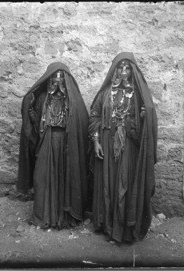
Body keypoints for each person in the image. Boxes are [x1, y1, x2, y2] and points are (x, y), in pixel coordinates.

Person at [88, 52, 157, 243]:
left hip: (128, 147)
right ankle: (107, 227)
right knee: (108, 185)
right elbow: (94, 117)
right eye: (120, 68)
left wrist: (144, 117)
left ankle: (124, 230)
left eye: (127, 68)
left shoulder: (138, 96)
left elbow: (146, 127)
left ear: (132, 71)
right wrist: (96, 141)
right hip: (107, 145)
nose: (124, 72)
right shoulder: (105, 93)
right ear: (115, 70)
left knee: (124, 184)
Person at [17, 62, 89, 229]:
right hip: (47, 141)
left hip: (66, 143)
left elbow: (81, 121)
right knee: (43, 175)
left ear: (66, 80)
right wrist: (30, 110)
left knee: (65, 177)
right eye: (54, 78)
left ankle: (64, 218)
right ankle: (44, 216)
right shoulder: (43, 98)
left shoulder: (72, 100)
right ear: (49, 80)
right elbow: (35, 124)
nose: (57, 82)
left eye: (61, 78)